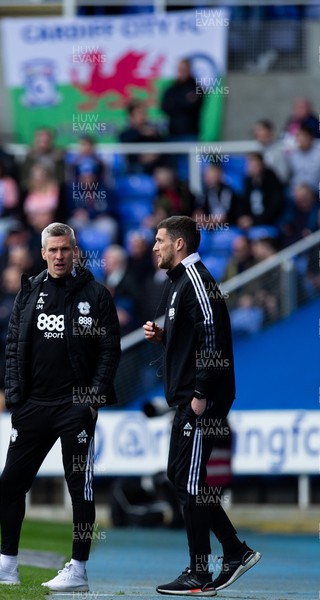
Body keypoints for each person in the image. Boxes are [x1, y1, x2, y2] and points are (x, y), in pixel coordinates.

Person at [0, 222, 121, 591]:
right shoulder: (29, 292)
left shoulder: (97, 295)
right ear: (42, 252)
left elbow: (110, 351)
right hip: (33, 406)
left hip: (75, 407)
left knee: (79, 487)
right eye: (53, 250)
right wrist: (16, 398)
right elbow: (14, 346)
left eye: (66, 249)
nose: (60, 256)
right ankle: (7, 563)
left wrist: (93, 400)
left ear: (76, 250)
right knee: (11, 482)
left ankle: (78, 569)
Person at [143, 216, 261, 596]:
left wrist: (200, 394)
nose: (154, 247)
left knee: (189, 480)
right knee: (180, 478)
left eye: (160, 240)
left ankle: (200, 571)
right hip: (190, 397)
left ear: (179, 244)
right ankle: (234, 551)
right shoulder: (180, 283)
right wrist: (166, 339)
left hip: (200, 400)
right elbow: (197, 340)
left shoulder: (196, 281)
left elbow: (214, 338)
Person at [160, 58, 203, 141]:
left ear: (189, 70)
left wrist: (175, 102)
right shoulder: (171, 89)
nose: (181, 72)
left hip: (190, 134)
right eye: (180, 69)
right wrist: (183, 100)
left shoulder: (196, 88)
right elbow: (165, 107)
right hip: (172, 134)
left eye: (184, 69)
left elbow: (192, 105)